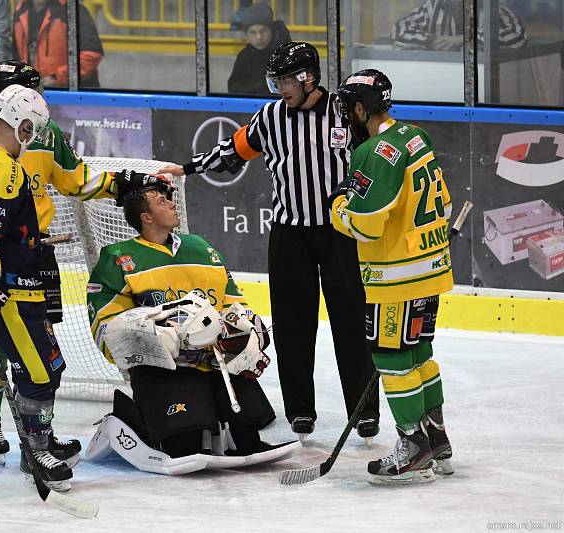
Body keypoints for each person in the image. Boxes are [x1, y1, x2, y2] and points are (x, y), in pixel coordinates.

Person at [158, 41, 380, 442]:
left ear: (308, 76)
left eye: (285, 80)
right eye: (275, 80)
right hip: (289, 233)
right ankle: (300, 411)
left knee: (350, 322)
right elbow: (234, 151)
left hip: (340, 235)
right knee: (293, 324)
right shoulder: (271, 117)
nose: (280, 88)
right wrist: (188, 168)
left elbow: (375, 157)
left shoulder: (344, 113)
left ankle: (363, 411)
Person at [0, 59, 153, 467]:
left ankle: (38, 435)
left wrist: (124, 184)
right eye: (30, 91)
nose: (40, 99)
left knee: (39, 349)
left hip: (34, 256)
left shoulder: (42, 131)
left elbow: (77, 180)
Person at [84, 182, 297, 474]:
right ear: (146, 217)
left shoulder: (200, 248)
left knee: (248, 432)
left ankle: (240, 434)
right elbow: (105, 326)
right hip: (166, 367)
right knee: (182, 445)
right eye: (160, 201)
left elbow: (233, 301)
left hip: (215, 360)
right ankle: (124, 419)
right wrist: (163, 339)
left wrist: (249, 328)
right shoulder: (119, 259)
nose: (171, 204)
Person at [330, 69, 455, 484]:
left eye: (348, 107)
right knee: (418, 354)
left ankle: (411, 445)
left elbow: (366, 225)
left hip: (395, 277)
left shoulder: (374, 151)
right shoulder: (414, 135)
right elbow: (445, 204)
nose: (346, 115)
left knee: (391, 359)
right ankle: (435, 437)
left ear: (361, 108)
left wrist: (339, 208)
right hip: (430, 269)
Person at [13, 0, 103, 88]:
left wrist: (57, 78)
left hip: (72, 94)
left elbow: (92, 54)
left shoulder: (73, 11)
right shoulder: (20, 12)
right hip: (33, 92)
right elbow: (15, 56)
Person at [392, 0, 526, 50]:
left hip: (482, 84)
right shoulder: (433, 7)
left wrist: (466, 39)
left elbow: (518, 37)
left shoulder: (492, 7)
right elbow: (399, 31)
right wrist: (431, 40)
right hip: (437, 75)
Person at [227, 2, 291, 95]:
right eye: (252, 32)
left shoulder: (286, 54)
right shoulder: (245, 56)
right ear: (246, 35)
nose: (259, 37)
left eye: (263, 31)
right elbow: (234, 88)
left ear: (271, 30)